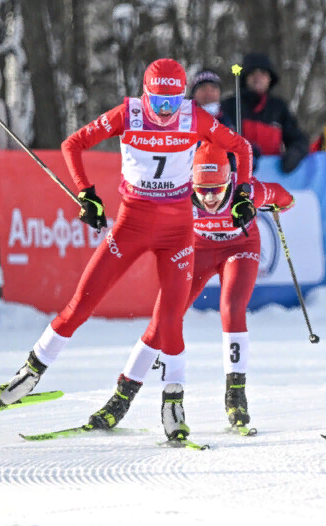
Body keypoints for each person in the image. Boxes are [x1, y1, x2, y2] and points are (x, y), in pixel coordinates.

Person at [0, 58, 254, 443]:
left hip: (178, 234)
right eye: (157, 103)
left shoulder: (193, 117)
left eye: (172, 102)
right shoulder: (128, 113)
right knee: (82, 303)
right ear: (145, 96)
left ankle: (174, 400)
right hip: (131, 227)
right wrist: (86, 193)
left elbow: (241, 148)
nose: (165, 112)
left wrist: (242, 193)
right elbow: (73, 144)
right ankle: (30, 372)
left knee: (170, 320)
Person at [89, 142, 294, 434]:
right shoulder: (178, 194)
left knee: (232, 308)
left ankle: (236, 397)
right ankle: (120, 399)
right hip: (196, 252)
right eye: (203, 190)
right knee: (162, 321)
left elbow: (283, 196)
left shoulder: (246, 191)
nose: (210, 199)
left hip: (240, 248)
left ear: (229, 182)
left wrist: (278, 205)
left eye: (217, 190)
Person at [219, 53, 309, 173]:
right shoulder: (229, 106)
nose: (258, 77)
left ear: (270, 78)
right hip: (237, 180)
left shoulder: (279, 108)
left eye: (263, 73)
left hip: (272, 180)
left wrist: (295, 153)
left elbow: (299, 139)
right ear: (245, 77)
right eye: (253, 73)